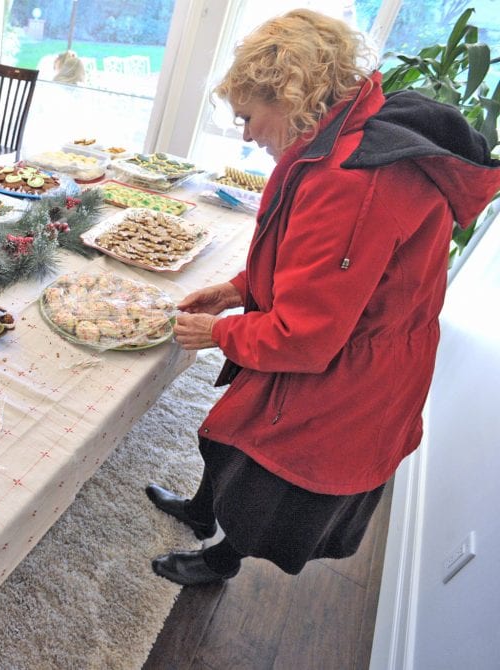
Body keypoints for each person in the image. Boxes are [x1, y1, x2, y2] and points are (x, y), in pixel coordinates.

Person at [148, 9, 500, 586]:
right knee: (232, 428)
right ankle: (199, 508)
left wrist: (218, 334)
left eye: (248, 117)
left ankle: (219, 558)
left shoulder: (351, 181)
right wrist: (240, 289)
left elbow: (303, 337)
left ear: (288, 98)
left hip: (350, 369)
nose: (245, 134)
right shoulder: (342, 134)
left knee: (261, 468)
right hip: (350, 340)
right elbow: (308, 264)